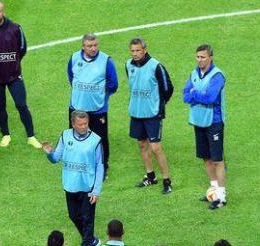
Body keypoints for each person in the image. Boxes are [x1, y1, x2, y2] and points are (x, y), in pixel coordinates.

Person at [44, 110, 103, 246]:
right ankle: (92, 241)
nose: (84, 127)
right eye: (80, 124)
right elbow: (56, 158)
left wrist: (96, 190)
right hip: (70, 185)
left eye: (86, 124)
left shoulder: (95, 140)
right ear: (73, 124)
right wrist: (49, 153)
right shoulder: (65, 136)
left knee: (87, 220)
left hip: (88, 187)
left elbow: (100, 165)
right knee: (74, 216)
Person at [0, 1, 41, 149]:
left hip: (14, 75)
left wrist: (13, 63)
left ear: (3, 13)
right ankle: (5, 134)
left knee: (21, 105)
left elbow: (22, 48)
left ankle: (31, 136)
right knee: (0, 106)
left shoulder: (15, 28)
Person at [126, 38, 173, 193]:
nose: (135, 53)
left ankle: (167, 181)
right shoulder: (128, 65)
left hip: (152, 113)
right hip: (136, 112)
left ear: (145, 50)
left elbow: (168, 88)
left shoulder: (156, 66)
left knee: (155, 147)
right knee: (141, 144)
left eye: (138, 50)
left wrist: (159, 104)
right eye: (132, 51)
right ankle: (150, 176)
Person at [67, 33, 118, 179]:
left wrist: (101, 96)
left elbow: (113, 84)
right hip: (77, 108)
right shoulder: (74, 58)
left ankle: (102, 167)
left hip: (97, 109)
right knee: (76, 138)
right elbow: (71, 77)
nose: (93, 48)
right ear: (83, 46)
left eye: (95, 45)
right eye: (89, 46)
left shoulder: (106, 61)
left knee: (100, 140)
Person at [183, 44, 226, 210]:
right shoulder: (194, 74)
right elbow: (185, 96)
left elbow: (210, 98)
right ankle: (214, 191)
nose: (200, 60)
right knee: (206, 158)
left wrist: (194, 93)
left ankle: (221, 198)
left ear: (210, 58)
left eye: (203, 57)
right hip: (199, 121)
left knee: (218, 160)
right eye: (198, 57)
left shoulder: (218, 76)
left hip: (214, 122)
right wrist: (196, 94)